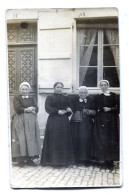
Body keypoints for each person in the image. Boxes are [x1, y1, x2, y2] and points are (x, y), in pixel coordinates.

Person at [40, 82, 74, 167]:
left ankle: (64, 161)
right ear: (54, 88)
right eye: (57, 87)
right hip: (53, 121)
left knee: (63, 140)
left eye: (61, 87)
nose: (59, 89)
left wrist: (69, 109)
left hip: (63, 122)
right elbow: (47, 108)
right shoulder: (50, 97)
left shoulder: (66, 98)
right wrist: (57, 111)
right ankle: (53, 161)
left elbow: (69, 107)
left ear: (62, 88)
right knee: (53, 139)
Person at [11, 82, 41, 167]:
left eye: (26, 89)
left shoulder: (32, 98)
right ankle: (21, 160)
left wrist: (34, 108)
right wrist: (28, 109)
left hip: (31, 121)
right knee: (21, 139)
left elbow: (36, 107)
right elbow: (17, 108)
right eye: (22, 89)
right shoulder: (17, 98)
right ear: (20, 90)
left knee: (30, 139)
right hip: (20, 120)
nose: (24, 91)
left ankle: (29, 159)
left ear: (29, 90)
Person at [92, 80, 120, 169]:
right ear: (100, 86)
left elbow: (119, 107)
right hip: (100, 120)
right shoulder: (97, 96)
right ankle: (102, 159)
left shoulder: (113, 95)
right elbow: (94, 107)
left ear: (108, 86)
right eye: (101, 85)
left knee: (111, 138)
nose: (103, 87)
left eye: (105, 85)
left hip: (111, 120)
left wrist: (110, 109)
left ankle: (110, 160)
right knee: (101, 138)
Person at [70, 86, 96, 166]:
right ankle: (77, 159)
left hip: (87, 123)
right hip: (76, 123)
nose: (83, 94)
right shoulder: (74, 99)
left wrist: (89, 111)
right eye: (81, 92)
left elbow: (94, 110)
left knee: (87, 140)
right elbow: (72, 108)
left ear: (87, 94)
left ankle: (86, 159)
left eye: (85, 92)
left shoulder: (91, 100)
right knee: (77, 139)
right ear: (79, 93)